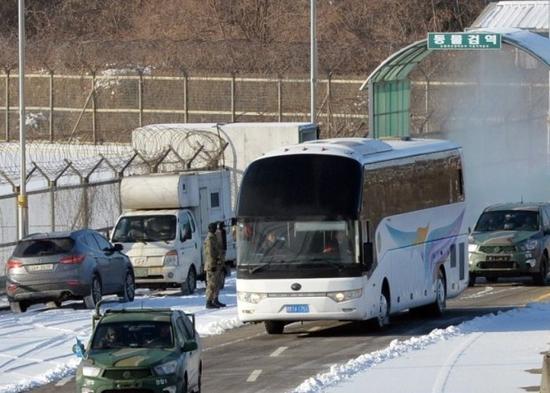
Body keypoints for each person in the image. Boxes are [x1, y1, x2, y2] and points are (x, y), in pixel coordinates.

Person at [204, 222, 224, 309]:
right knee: (211, 284)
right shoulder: (209, 239)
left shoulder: (214, 237)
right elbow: (210, 254)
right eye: (214, 228)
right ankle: (209, 301)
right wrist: (212, 265)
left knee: (216, 283)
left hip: (216, 264)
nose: (216, 229)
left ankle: (215, 299)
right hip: (212, 265)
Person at [215, 221, 228, 306]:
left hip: (222, 252)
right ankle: (214, 299)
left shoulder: (222, 232)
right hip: (220, 254)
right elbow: (219, 244)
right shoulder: (218, 233)